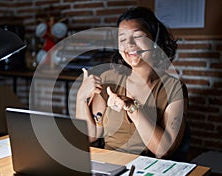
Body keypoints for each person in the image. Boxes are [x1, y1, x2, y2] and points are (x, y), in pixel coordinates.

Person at [75, 7, 189, 161]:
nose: (129, 44)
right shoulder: (109, 79)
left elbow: (164, 150)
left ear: (154, 41)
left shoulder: (174, 88)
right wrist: (81, 98)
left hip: (147, 171)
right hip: (108, 166)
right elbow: (90, 136)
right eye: (122, 39)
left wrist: (132, 108)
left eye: (138, 36)